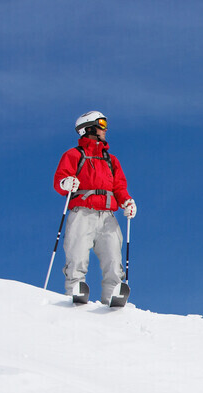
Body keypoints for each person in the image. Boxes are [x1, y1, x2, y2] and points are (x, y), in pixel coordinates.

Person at [53, 111, 137, 305]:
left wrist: (127, 201)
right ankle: (74, 289)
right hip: (82, 212)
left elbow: (119, 187)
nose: (105, 129)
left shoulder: (111, 160)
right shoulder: (74, 155)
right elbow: (59, 181)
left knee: (113, 259)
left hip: (108, 216)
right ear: (88, 128)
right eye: (101, 124)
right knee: (77, 255)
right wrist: (66, 183)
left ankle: (113, 296)